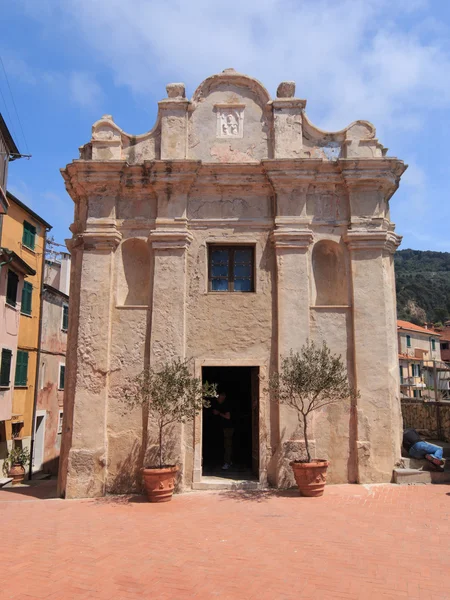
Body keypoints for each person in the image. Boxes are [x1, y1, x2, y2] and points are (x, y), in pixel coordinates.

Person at [212, 391, 234, 470]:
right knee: (224, 445)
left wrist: (219, 413)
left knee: (227, 445)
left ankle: (227, 462)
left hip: (228, 428)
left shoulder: (226, 405)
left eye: (219, 396)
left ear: (223, 396)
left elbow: (228, 417)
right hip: (222, 428)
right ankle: (228, 461)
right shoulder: (218, 404)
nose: (217, 398)